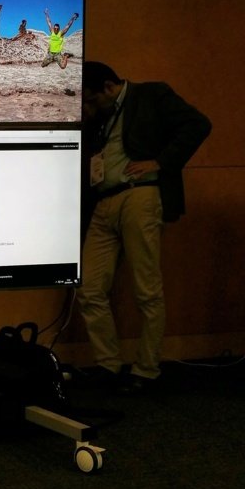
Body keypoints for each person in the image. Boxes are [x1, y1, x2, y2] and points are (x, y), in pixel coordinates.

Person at [76, 61, 211, 393]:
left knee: (147, 290)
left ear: (109, 87)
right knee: (89, 288)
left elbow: (198, 124)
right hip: (102, 201)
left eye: (92, 99)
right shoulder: (99, 117)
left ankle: (146, 369)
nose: (89, 107)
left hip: (140, 194)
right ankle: (108, 364)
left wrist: (161, 162)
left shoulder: (151, 95)